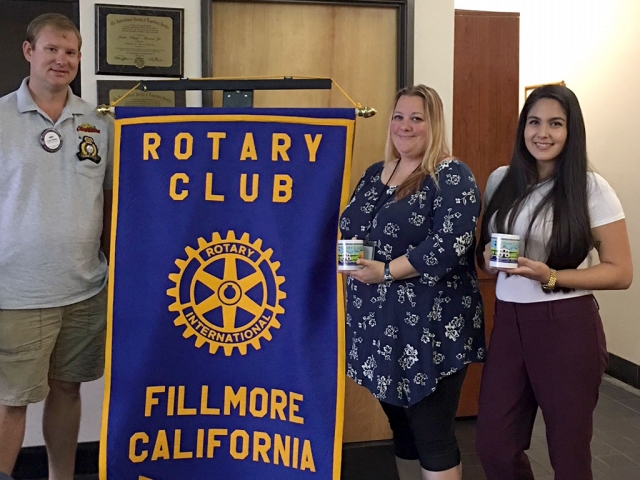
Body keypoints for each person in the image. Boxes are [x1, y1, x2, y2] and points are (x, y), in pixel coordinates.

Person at [475, 85, 633, 480]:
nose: (542, 133)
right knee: (495, 445)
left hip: (566, 323)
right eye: (534, 122)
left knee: (568, 451)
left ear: (571, 131)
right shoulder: (500, 180)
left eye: (555, 124)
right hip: (510, 321)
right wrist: (490, 261)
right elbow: (484, 252)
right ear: (522, 128)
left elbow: (620, 271)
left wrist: (551, 276)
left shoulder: (591, 188)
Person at [339, 85, 485, 480]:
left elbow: (451, 243)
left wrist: (387, 271)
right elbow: (351, 229)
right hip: (378, 330)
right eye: (398, 116)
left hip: (428, 329)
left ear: (433, 124)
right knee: (401, 431)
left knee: (431, 435)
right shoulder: (375, 174)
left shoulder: (450, 175)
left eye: (416, 118)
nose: (405, 126)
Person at [0, 13, 112, 479]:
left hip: (85, 287)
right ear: (29, 52)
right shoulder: (1, 117)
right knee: (13, 403)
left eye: (70, 52)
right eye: (52, 49)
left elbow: (110, 198)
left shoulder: (98, 121)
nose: (61, 60)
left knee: (68, 390)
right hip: (19, 292)